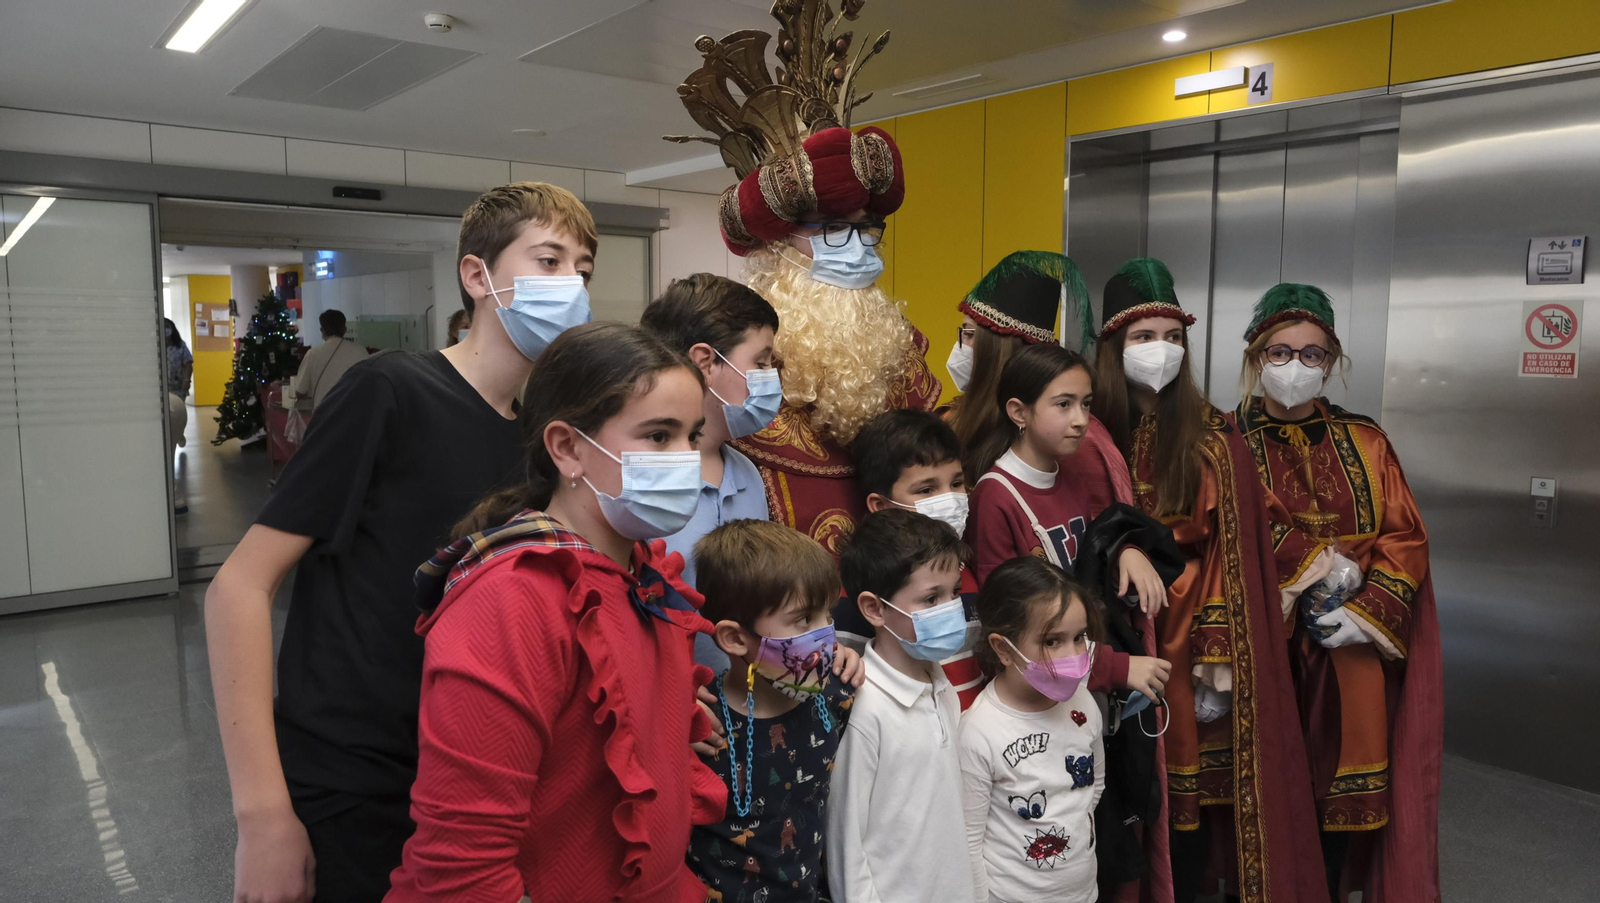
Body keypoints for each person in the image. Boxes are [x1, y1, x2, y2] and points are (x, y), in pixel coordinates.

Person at [204, 181, 598, 903]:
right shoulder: (390, 390)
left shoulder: (542, 439)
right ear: (477, 276)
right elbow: (238, 585)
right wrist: (263, 815)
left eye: (583, 268)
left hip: (467, 780)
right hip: (354, 778)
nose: (570, 283)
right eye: (548, 261)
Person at [386, 322, 723, 902]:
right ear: (567, 447)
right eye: (658, 436)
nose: (686, 460)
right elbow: (464, 866)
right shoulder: (512, 599)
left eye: (692, 437)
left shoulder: (645, 573)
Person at [1092, 259, 1330, 903]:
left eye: (1174, 337)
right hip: (1103, 625)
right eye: (1144, 337)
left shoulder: (1212, 431)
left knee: (1187, 798)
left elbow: (1241, 541)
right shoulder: (1087, 427)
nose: (1162, 351)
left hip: (1190, 631)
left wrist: (1218, 653)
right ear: (1113, 346)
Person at [668, 0, 941, 555]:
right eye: (834, 229)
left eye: (868, 230)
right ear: (777, 246)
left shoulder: (901, 349)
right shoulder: (738, 363)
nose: (859, 248)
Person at [1228, 284, 1442, 903]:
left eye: (1313, 355)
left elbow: (1406, 532)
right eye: (1281, 352)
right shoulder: (1225, 439)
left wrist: (1367, 610)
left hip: (1351, 646)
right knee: (1264, 783)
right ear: (1254, 357)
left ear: (1334, 362)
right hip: (1263, 638)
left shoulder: (1368, 440)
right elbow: (1226, 530)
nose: (1296, 366)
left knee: (1342, 795)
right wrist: (1308, 569)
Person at [965, 340, 1181, 901]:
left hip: (1080, 695)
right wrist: (1113, 668)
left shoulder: (1069, 474)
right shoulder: (998, 495)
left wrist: (1125, 548)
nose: (1081, 420)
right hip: (1046, 690)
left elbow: (1090, 550)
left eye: (1086, 404)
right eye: (1063, 404)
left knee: (1086, 820)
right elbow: (1016, 621)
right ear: (1018, 412)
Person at [685, 519, 854, 903]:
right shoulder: (697, 725)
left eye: (827, 615)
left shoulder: (837, 698)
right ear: (734, 638)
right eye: (803, 619)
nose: (826, 635)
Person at [828, 508, 974, 902]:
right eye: (931, 598)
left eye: (954, 593)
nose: (950, 609)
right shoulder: (865, 709)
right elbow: (846, 846)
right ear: (875, 609)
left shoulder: (941, 685)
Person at [640, 273, 781, 670]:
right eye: (761, 362)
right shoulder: (642, 479)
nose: (771, 377)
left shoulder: (748, 473)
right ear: (706, 362)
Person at [959, 557, 1106, 903]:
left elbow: (1093, 787)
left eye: (1079, 637)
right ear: (1003, 648)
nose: (1073, 654)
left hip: (1083, 893)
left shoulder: (1083, 703)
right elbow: (968, 839)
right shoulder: (980, 731)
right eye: (1053, 641)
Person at [943, 251, 1133, 516]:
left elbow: (1101, 536)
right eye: (962, 333)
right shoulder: (955, 416)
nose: (962, 345)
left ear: (999, 351)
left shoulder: (1076, 439)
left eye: (970, 334)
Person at [829, 408, 988, 710]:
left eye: (956, 484)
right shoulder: (857, 598)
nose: (950, 500)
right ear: (880, 505)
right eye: (927, 489)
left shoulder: (964, 572)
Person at [292, 309, 369, 415]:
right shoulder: (361, 351)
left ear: (322, 330)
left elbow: (300, 390)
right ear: (345, 329)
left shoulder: (313, 354)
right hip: (355, 413)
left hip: (324, 415)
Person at [164, 317, 193, 513]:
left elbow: (187, 364)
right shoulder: (154, 344)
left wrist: (185, 382)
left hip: (176, 390)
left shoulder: (179, 346)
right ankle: (177, 434)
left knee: (178, 413)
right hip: (163, 390)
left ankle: (179, 433)